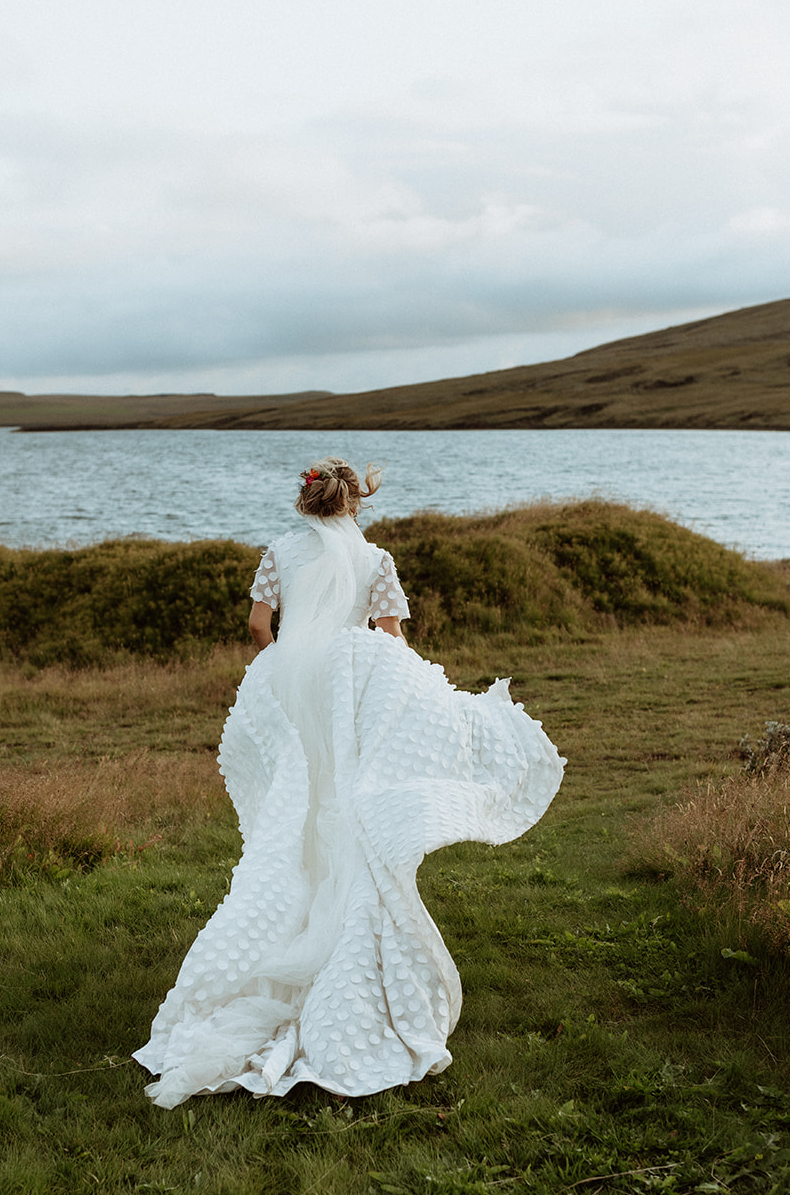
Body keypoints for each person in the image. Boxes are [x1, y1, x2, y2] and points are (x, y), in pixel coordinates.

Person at [133, 457, 565, 1108]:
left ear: (305, 501)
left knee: (291, 817)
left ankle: (274, 932)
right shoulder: (377, 561)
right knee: (341, 808)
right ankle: (339, 939)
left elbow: (258, 626)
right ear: (356, 503)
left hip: (289, 691)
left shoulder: (278, 550)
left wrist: (278, 666)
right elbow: (388, 638)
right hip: (345, 694)